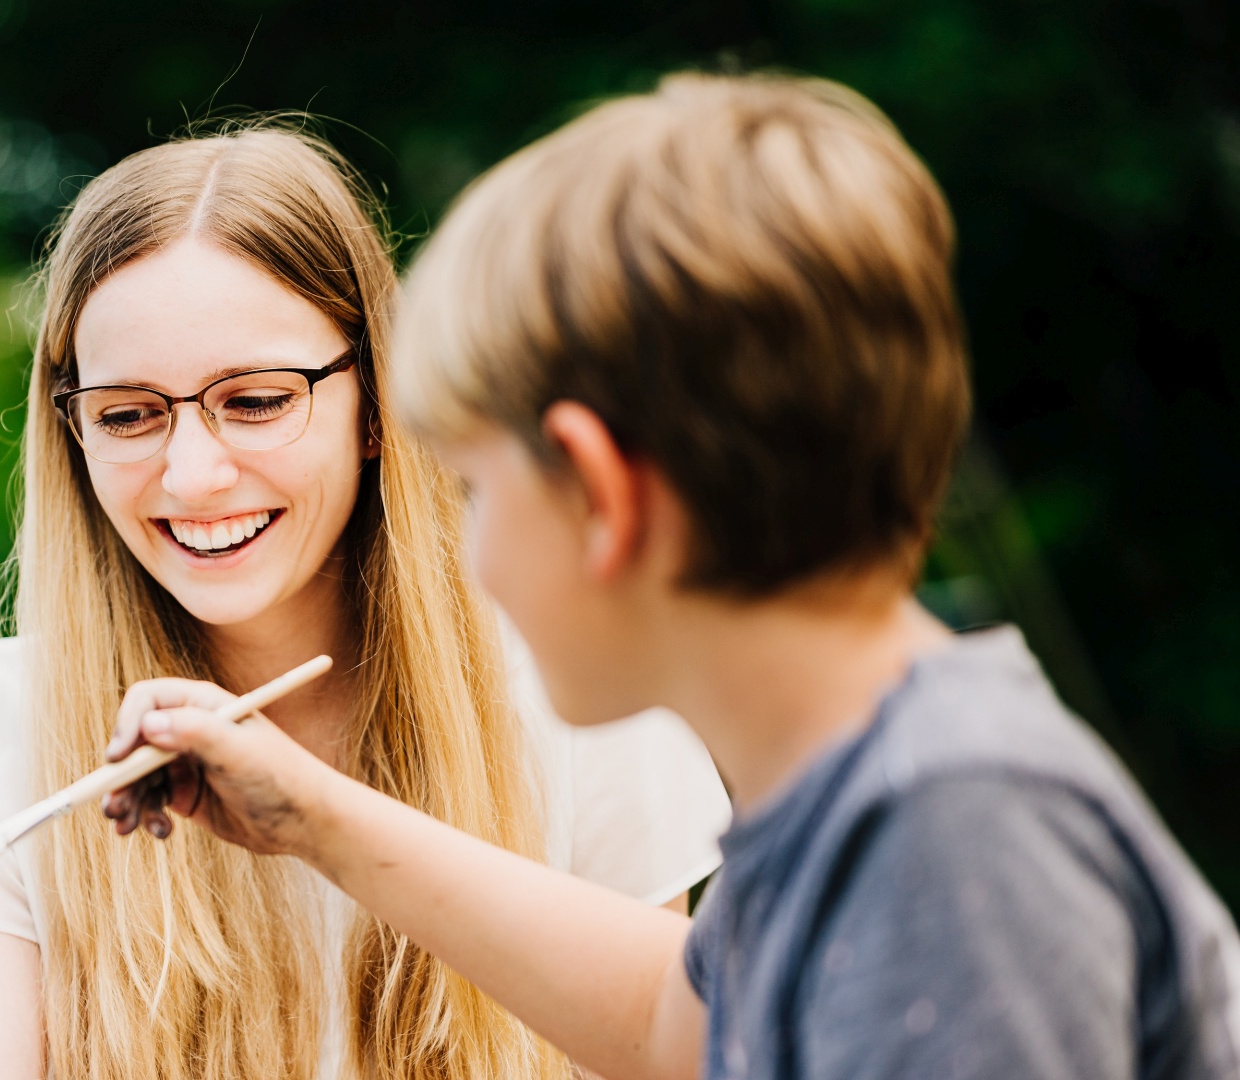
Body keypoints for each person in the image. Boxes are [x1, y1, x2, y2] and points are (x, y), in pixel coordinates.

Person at [101, 74, 1240, 1080]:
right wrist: (310, 817)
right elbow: (671, 1031)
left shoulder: (951, 836)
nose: (472, 551)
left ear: (602, 495)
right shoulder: (854, 800)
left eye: (481, 491)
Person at [0, 124, 731, 1080]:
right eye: (131, 414)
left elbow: (676, 1043)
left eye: (257, 401)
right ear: (73, 432)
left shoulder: (580, 696)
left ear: (376, 402)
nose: (193, 475)